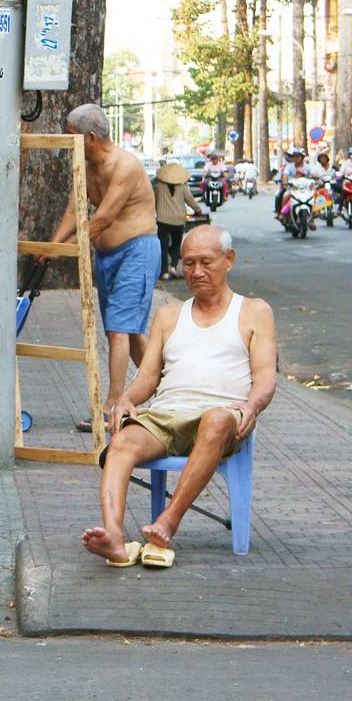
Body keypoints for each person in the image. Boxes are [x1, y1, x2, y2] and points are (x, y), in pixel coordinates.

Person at [83, 226, 275, 568]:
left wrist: (251, 406)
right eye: (188, 264)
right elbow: (148, 377)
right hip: (166, 416)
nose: (196, 272)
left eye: (206, 262)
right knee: (123, 440)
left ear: (229, 260)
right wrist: (126, 399)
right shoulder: (169, 314)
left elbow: (265, 379)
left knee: (216, 419)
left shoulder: (254, 311)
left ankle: (166, 523)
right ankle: (113, 535)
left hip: (222, 417)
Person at [44, 104, 159, 429]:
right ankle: (166, 390)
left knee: (118, 330)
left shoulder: (124, 165)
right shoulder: (84, 165)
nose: (69, 143)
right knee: (130, 332)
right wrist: (52, 246)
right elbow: (73, 210)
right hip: (106, 256)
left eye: (72, 137)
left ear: (91, 137)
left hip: (137, 251)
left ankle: (112, 405)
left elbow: (104, 217)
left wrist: (64, 248)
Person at [153, 161, 205, 280]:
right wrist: (199, 211)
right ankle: (173, 267)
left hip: (162, 221)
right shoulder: (182, 188)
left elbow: (153, 202)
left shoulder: (158, 187)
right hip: (179, 221)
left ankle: (165, 272)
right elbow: (191, 201)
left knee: (163, 246)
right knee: (176, 245)